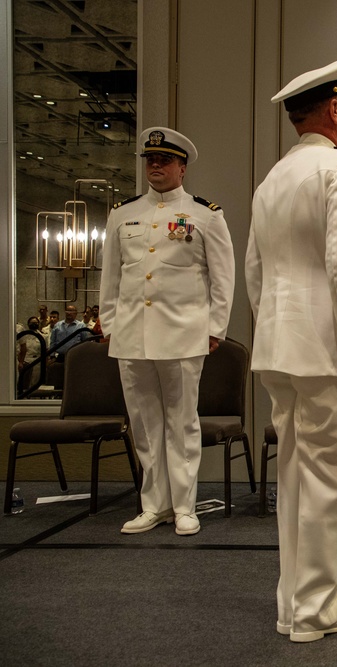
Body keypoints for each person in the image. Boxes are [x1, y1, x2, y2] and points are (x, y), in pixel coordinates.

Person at [246, 59, 337, 643]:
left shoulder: (272, 178)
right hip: (327, 348)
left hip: (279, 345)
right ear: (334, 110)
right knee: (331, 475)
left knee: (294, 474)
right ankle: (319, 607)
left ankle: (292, 602)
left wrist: (275, 326)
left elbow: (255, 272)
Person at [99, 126, 235, 537]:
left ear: (182, 167)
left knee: (181, 423)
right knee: (143, 423)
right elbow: (111, 276)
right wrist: (108, 323)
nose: (155, 166)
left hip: (182, 333)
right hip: (132, 334)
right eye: (150, 160)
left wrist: (216, 328)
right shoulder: (123, 215)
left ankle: (184, 506)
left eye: (164, 160)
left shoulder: (204, 214)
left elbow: (222, 278)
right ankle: (153, 505)